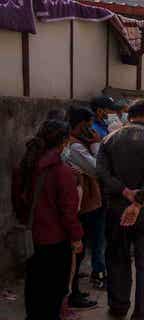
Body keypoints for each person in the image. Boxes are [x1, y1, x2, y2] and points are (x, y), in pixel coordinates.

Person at [97, 101, 144, 320]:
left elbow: (101, 173)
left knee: (117, 258)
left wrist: (125, 192)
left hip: (116, 209)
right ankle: (143, 314)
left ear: (129, 117)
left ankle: (118, 307)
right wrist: (137, 204)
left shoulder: (108, 140)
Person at [12, 120, 84, 320]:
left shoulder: (26, 165)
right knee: (53, 294)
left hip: (32, 238)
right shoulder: (62, 172)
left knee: (34, 289)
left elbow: (17, 203)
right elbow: (68, 212)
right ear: (62, 142)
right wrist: (77, 237)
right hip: (55, 241)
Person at [64, 107, 101, 309]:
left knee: (79, 252)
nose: (91, 130)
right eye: (89, 125)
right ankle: (72, 295)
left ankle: (74, 291)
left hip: (83, 203)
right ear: (81, 125)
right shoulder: (75, 147)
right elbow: (97, 169)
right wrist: (96, 145)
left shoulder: (76, 144)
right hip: (80, 206)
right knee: (76, 253)